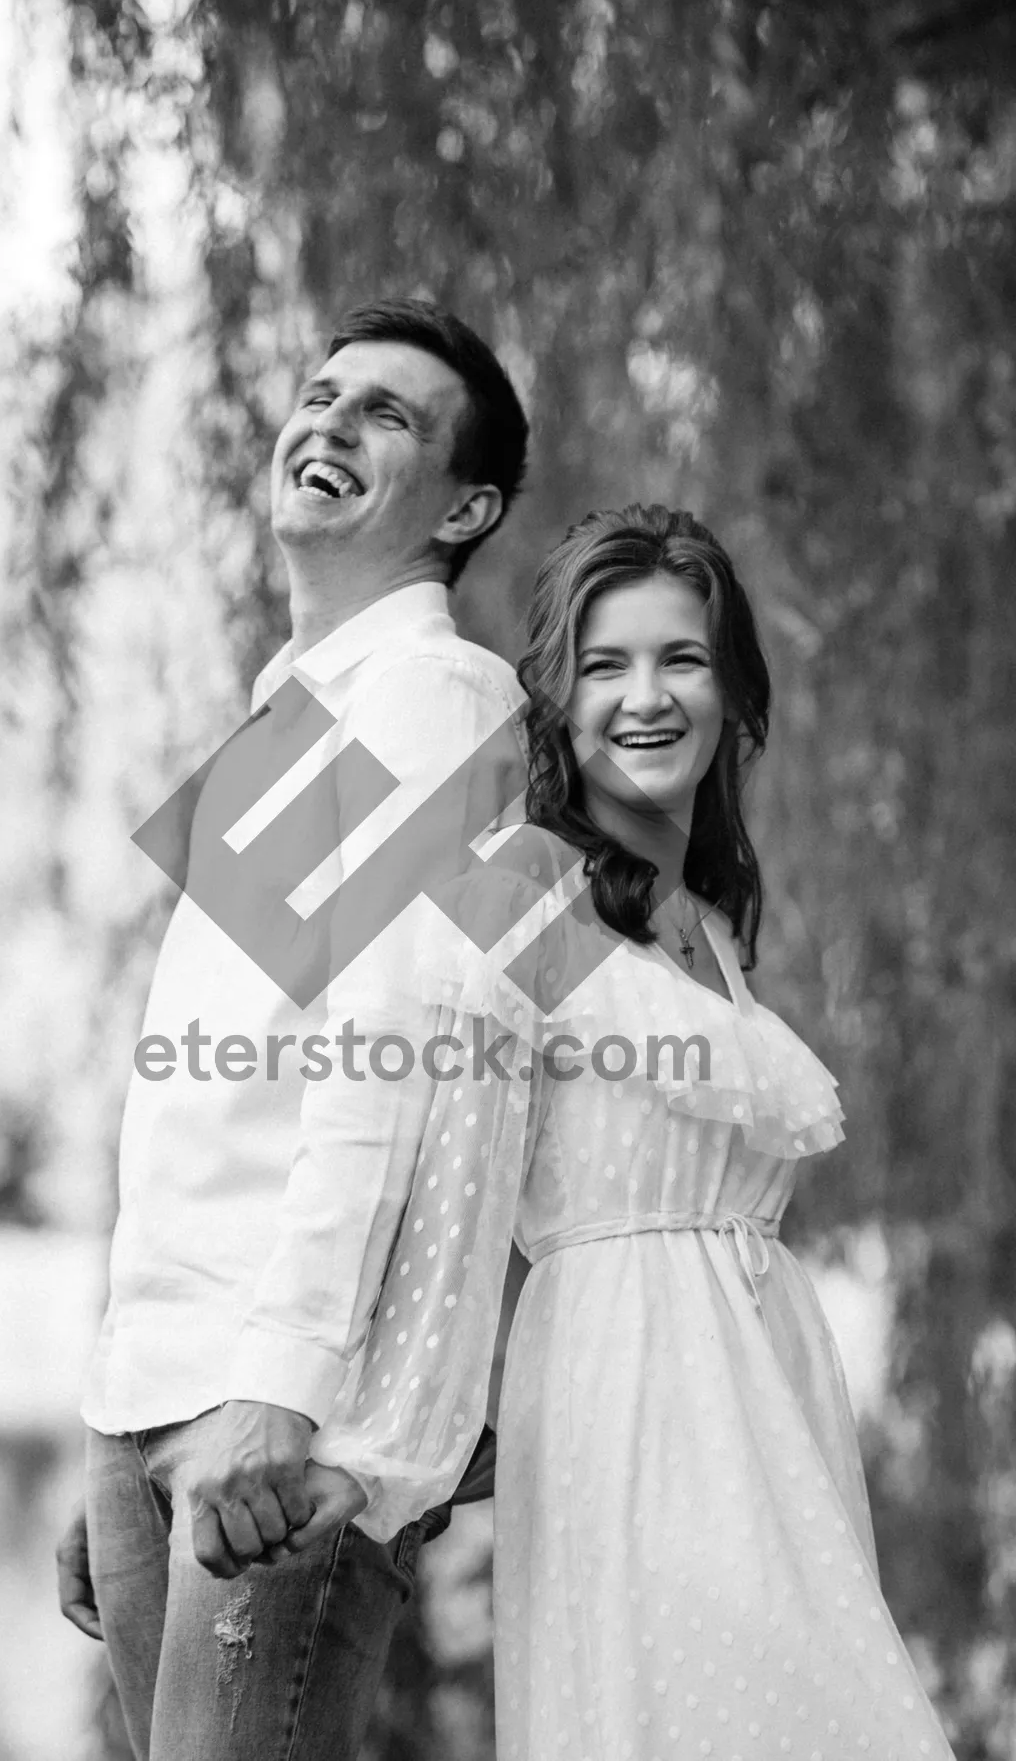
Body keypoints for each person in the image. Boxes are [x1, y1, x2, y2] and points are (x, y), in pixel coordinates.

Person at [262, 506, 955, 1759]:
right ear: (555, 701)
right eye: (604, 663)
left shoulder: (718, 925)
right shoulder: (518, 887)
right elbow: (458, 1214)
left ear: (734, 689)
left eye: (681, 657)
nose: (647, 695)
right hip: (631, 1423)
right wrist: (369, 1461)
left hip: (772, 1417)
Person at [56, 297, 530, 1761]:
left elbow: (383, 1079)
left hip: (272, 1408)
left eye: (386, 412)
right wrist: (115, 1423)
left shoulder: (437, 692)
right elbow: (208, 1114)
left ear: (469, 505)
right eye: (321, 394)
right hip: (167, 1386)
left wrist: (276, 1395)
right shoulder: (289, 712)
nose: (327, 420)